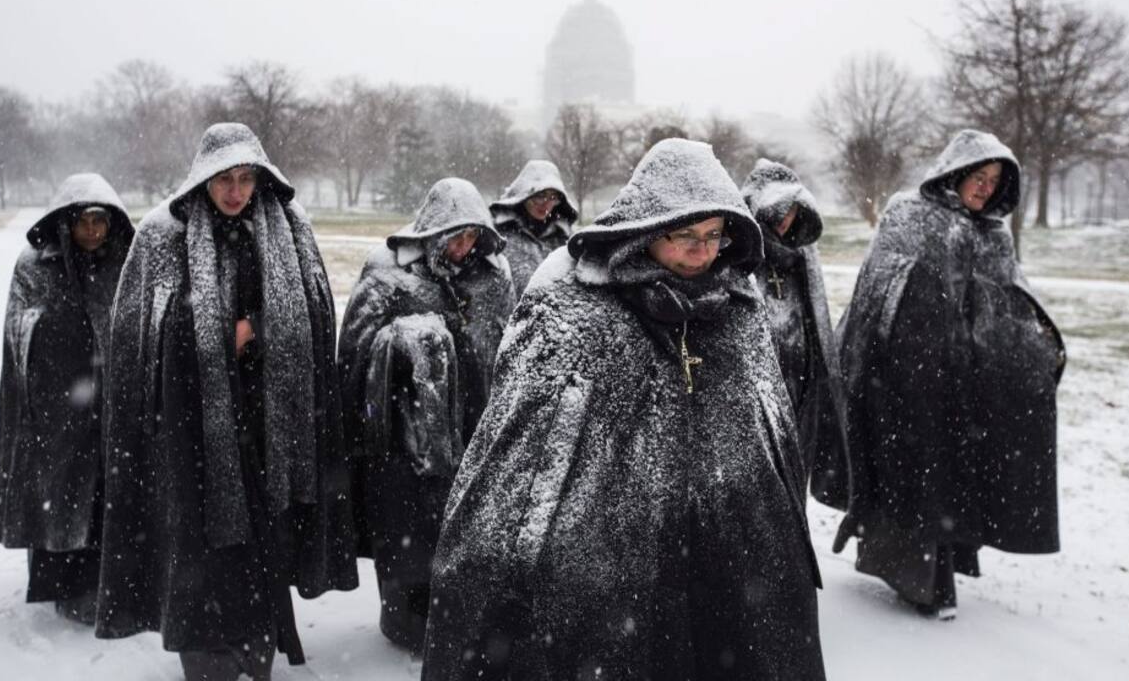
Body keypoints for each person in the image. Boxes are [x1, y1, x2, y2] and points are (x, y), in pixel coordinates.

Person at [423, 139, 826, 680]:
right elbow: (520, 468)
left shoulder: (738, 309)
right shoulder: (572, 303)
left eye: (714, 235)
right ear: (647, 229)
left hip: (725, 562)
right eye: (686, 235)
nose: (702, 252)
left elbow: (770, 446)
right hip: (607, 571)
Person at [95, 123, 358, 680]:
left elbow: (313, 316)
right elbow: (140, 341)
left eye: (245, 178)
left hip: (268, 421)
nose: (236, 192)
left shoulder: (288, 227)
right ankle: (207, 652)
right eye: (224, 180)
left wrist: (257, 325)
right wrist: (213, 332)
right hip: (188, 426)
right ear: (203, 179)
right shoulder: (162, 235)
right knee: (200, 549)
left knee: (261, 541)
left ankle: (255, 641)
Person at [834, 129, 1065, 619]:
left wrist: (1033, 353)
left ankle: (939, 571)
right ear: (954, 173)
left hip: (963, 385)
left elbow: (1008, 304)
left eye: (994, 181)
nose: (985, 188)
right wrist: (884, 358)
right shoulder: (908, 216)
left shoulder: (993, 236)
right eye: (978, 176)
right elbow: (876, 293)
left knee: (950, 480)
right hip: (904, 379)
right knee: (911, 478)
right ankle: (923, 585)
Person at [339, 177, 516, 653]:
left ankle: (456, 620)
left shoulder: (492, 277)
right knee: (407, 531)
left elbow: (508, 346)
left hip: (475, 431)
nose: (463, 247)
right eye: (455, 236)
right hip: (403, 437)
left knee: (465, 535)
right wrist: (401, 343)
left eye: (472, 236)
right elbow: (354, 351)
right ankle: (405, 621)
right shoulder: (387, 272)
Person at [0, 173, 133, 624]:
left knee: (107, 495)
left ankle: (107, 582)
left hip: (108, 408)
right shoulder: (34, 266)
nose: (92, 230)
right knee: (60, 495)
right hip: (56, 412)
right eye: (83, 221)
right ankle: (66, 584)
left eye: (100, 221)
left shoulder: (121, 265)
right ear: (66, 222)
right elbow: (20, 334)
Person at [740, 159, 850, 507]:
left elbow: (815, 321)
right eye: (779, 209)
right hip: (756, 397)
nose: (785, 219)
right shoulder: (739, 250)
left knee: (792, 487)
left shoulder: (801, 255)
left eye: (792, 210)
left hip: (800, 391)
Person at [489, 160, 578, 296]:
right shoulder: (498, 235)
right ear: (524, 195)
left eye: (553, 197)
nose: (546, 204)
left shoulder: (566, 240)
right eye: (540, 196)